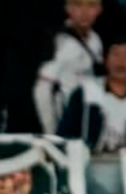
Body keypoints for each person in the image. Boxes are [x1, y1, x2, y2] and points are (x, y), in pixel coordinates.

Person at [35, 0, 104, 135]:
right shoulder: (58, 41)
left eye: (91, 5)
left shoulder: (96, 40)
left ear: (99, 9)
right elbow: (42, 89)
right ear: (68, 8)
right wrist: (51, 132)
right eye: (78, 5)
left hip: (88, 116)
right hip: (64, 118)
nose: (84, 12)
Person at [57, 32, 126, 153]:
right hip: (89, 167)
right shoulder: (86, 93)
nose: (121, 61)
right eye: (115, 54)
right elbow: (64, 137)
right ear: (105, 59)